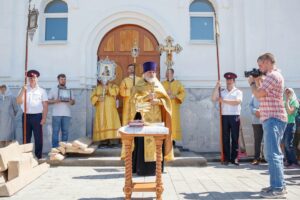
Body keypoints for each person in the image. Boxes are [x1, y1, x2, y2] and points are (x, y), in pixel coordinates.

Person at [248, 53, 287, 198]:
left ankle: (278, 189)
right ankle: (278, 185)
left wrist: (252, 83)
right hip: (272, 118)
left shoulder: (272, 76)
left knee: (273, 154)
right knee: (272, 154)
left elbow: (258, 94)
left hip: (273, 118)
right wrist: (258, 81)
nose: (259, 68)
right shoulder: (273, 76)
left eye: (260, 65)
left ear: (267, 62)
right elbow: (263, 93)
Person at [127, 61, 173, 176]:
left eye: (153, 72)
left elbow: (167, 100)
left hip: (157, 120)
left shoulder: (159, 85)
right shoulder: (138, 85)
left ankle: (157, 169)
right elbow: (133, 102)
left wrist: (159, 101)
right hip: (144, 120)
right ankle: (141, 169)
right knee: (142, 143)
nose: (152, 74)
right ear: (144, 73)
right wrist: (147, 97)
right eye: (149, 72)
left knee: (157, 142)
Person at [212, 72, 243, 166]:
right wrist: (216, 87)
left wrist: (224, 101)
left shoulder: (238, 92)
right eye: (227, 80)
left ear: (234, 81)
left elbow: (237, 102)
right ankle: (226, 158)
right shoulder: (222, 91)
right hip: (225, 116)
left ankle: (234, 158)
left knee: (234, 138)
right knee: (225, 138)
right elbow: (213, 98)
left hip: (235, 116)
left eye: (230, 80)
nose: (228, 81)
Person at [16, 70, 48, 159]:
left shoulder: (42, 91)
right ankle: (26, 157)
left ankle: (38, 156)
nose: (32, 79)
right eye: (30, 78)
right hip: (26, 116)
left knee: (38, 138)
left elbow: (45, 106)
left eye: (34, 78)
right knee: (26, 137)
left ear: (37, 78)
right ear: (28, 79)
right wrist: (23, 90)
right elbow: (18, 101)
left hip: (37, 116)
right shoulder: (24, 89)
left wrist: (44, 118)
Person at [48, 74, 75, 148]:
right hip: (56, 114)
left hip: (67, 114)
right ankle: (55, 149)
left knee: (65, 132)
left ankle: (64, 149)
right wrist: (55, 101)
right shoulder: (53, 89)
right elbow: (47, 101)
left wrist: (71, 101)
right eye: (62, 79)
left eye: (64, 79)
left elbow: (73, 102)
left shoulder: (69, 89)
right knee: (55, 132)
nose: (63, 81)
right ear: (58, 80)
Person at [162, 68, 185, 144]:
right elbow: (159, 93)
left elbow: (182, 93)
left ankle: (173, 142)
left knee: (173, 123)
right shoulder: (163, 84)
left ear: (172, 73)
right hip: (165, 106)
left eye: (169, 73)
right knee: (165, 122)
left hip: (174, 107)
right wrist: (166, 94)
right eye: (166, 73)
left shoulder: (178, 83)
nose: (167, 74)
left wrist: (175, 96)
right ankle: (165, 141)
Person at [282, 87, 299, 168]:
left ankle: (294, 162)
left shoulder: (294, 102)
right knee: (285, 144)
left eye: (289, 92)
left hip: (290, 124)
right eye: (286, 92)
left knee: (288, 143)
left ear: (292, 93)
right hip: (283, 124)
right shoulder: (283, 101)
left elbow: (290, 112)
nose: (287, 94)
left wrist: (288, 101)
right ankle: (288, 161)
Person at [249, 76, 264, 165]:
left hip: (266, 120)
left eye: (260, 80)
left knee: (267, 140)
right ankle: (256, 158)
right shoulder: (253, 94)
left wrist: (262, 111)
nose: (259, 82)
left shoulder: (266, 92)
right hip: (256, 121)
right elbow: (250, 105)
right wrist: (255, 111)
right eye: (257, 81)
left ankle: (266, 157)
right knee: (257, 140)